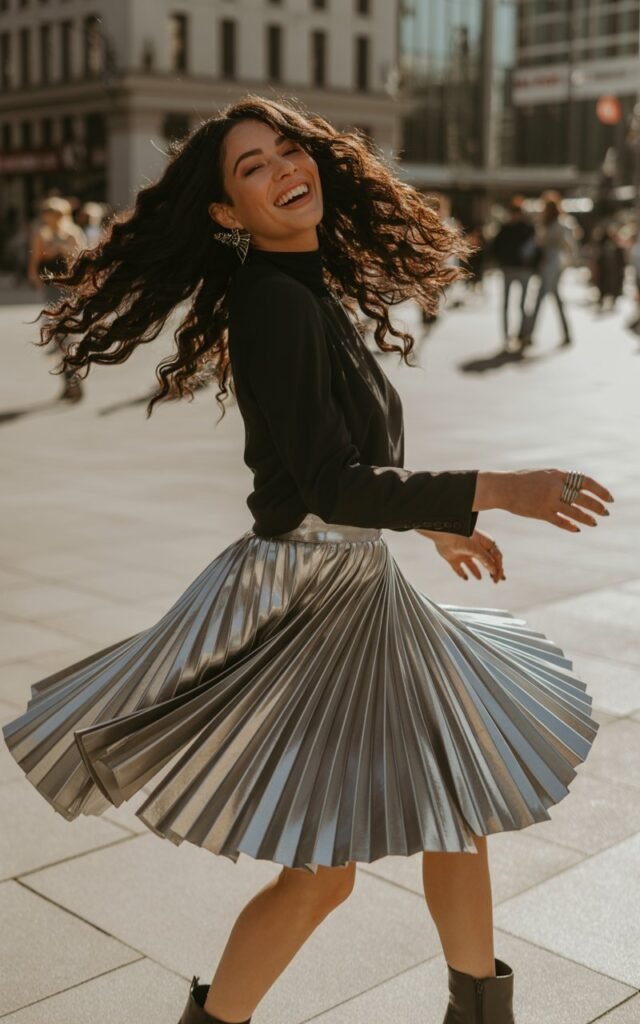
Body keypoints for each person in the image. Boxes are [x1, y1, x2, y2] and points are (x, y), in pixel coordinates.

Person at [2, 96, 613, 1024]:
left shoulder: (307, 285)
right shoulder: (273, 302)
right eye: (252, 168)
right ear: (223, 213)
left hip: (352, 584)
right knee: (325, 876)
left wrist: (433, 523)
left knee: (457, 800)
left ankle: (481, 1011)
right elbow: (329, 485)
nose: (285, 168)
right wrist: (496, 486)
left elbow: (346, 472)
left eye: (290, 149)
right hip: (309, 599)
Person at [28, 196, 88, 401]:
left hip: (70, 289)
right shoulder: (41, 234)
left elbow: (82, 259)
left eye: (50, 212)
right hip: (51, 291)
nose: (46, 216)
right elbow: (35, 263)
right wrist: (39, 282)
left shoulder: (73, 233)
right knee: (58, 338)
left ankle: (73, 378)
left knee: (68, 335)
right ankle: (70, 379)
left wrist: (65, 250)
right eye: (45, 212)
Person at [519, 195, 578, 351]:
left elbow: (568, 245)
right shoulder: (550, 223)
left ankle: (528, 334)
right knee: (556, 299)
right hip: (550, 264)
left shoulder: (557, 224)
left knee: (539, 299)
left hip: (551, 265)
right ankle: (565, 333)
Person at [489, 198, 537, 349]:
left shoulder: (528, 228)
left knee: (523, 304)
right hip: (509, 269)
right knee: (507, 304)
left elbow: (535, 248)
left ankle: (523, 334)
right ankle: (506, 335)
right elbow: (495, 247)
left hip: (522, 270)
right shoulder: (505, 228)